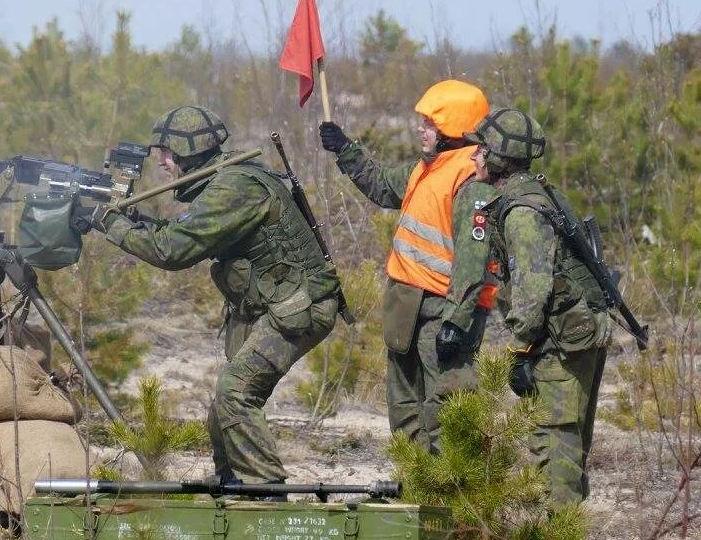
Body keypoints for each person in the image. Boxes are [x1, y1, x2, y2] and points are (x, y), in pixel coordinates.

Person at [87, 105, 342, 490]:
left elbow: (173, 250)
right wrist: (137, 223)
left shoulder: (234, 187)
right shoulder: (226, 181)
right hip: (275, 304)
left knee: (235, 392)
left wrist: (111, 224)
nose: (160, 161)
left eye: (166, 153)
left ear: (189, 153)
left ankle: (265, 493)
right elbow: (180, 232)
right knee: (225, 402)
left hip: (299, 308)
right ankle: (230, 480)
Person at [318, 80, 495, 453]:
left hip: (443, 312)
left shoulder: (471, 180)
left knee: (445, 410)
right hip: (406, 305)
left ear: (454, 128)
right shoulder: (429, 167)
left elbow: (473, 264)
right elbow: (384, 186)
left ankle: (450, 500)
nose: (421, 129)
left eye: (429, 123)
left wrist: (455, 322)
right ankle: (414, 490)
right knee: (405, 409)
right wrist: (346, 150)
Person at [466, 108, 609, 506]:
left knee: (556, 433)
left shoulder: (522, 211)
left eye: (481, 149)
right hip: (575, 329)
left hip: (560, 337)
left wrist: (519, 350)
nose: (473, 156)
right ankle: (568, 525)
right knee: (570, 433)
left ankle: (562, 534)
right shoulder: (537, 193)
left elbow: (531, 290)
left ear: (498, 158)